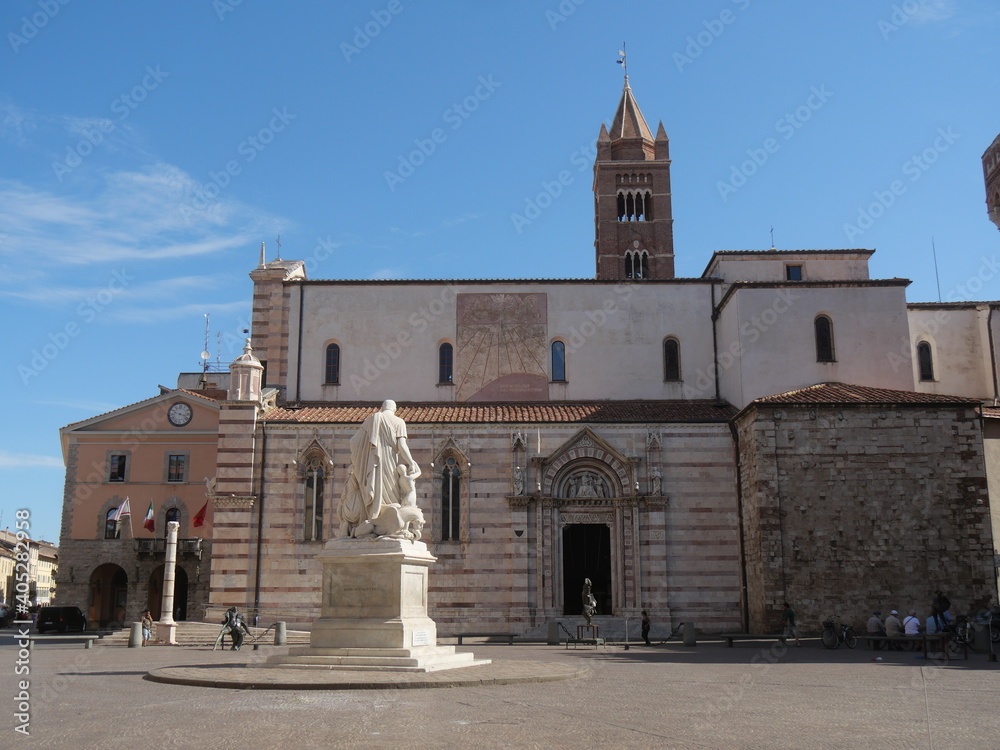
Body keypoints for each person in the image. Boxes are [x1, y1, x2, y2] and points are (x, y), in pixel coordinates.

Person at [338, 400, 420, 538]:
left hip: (373, 461)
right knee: (391, 494)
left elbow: (354, 442)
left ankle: (374, 520)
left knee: (375, 487)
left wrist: (361, 461)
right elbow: (401, 445)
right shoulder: (399, 422)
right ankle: (386, 525)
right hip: (389, 460)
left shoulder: (372, 420)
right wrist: (411, 462)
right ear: (394, 409)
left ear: (382, 408)